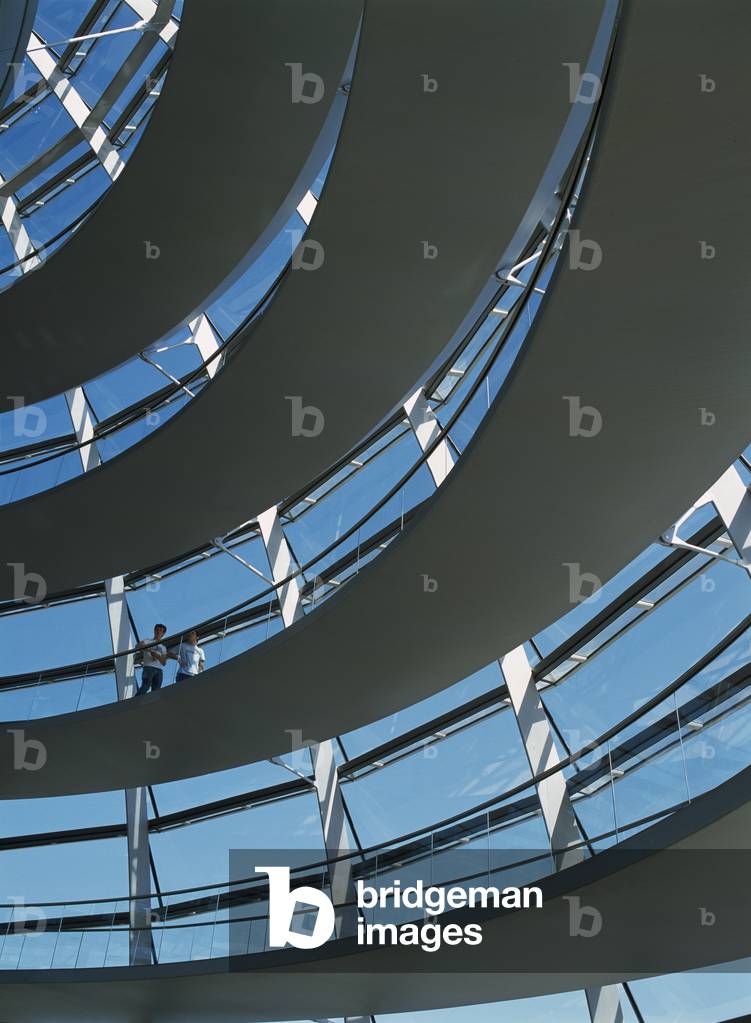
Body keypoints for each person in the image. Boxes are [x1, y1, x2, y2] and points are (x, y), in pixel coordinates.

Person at [137, 624, 167, 695]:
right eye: (157, 630)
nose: (158, 632)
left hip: (159, 670)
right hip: (148, 667)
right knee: (145, 687)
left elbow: (164, 662)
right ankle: (133, 703)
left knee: (156, 690)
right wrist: (150, 651)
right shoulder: (148, 641)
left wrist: (158, 657)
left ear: (163, 634)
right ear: (154, 631)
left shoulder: (163, 648)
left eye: (160, 631)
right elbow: (138, 646)